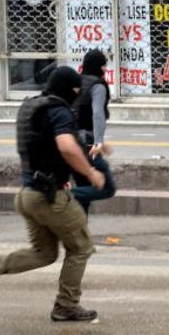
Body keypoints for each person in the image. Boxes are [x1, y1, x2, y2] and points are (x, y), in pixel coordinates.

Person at [0, 66, 106, 321]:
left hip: (27, 194)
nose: (78, 94)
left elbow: (41, 148)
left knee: (45, 253)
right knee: (81, 247)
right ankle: (66, 305)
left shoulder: (31, 107)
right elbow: (65, 146)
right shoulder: (59, 110)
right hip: (49, 198)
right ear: (69, 88)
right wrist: (90, 173)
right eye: (76, 89)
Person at [71, 49, 117, 214]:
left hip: (72, 141)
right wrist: (98, 142)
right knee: (107, 187)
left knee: (84, 188)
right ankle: (64, 196)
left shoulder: (77, 82)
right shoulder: (98, 86)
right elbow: (97, 113)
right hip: (88, 143)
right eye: (104, 65)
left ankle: (78, 232)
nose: (105, 69)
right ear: (98, 66)